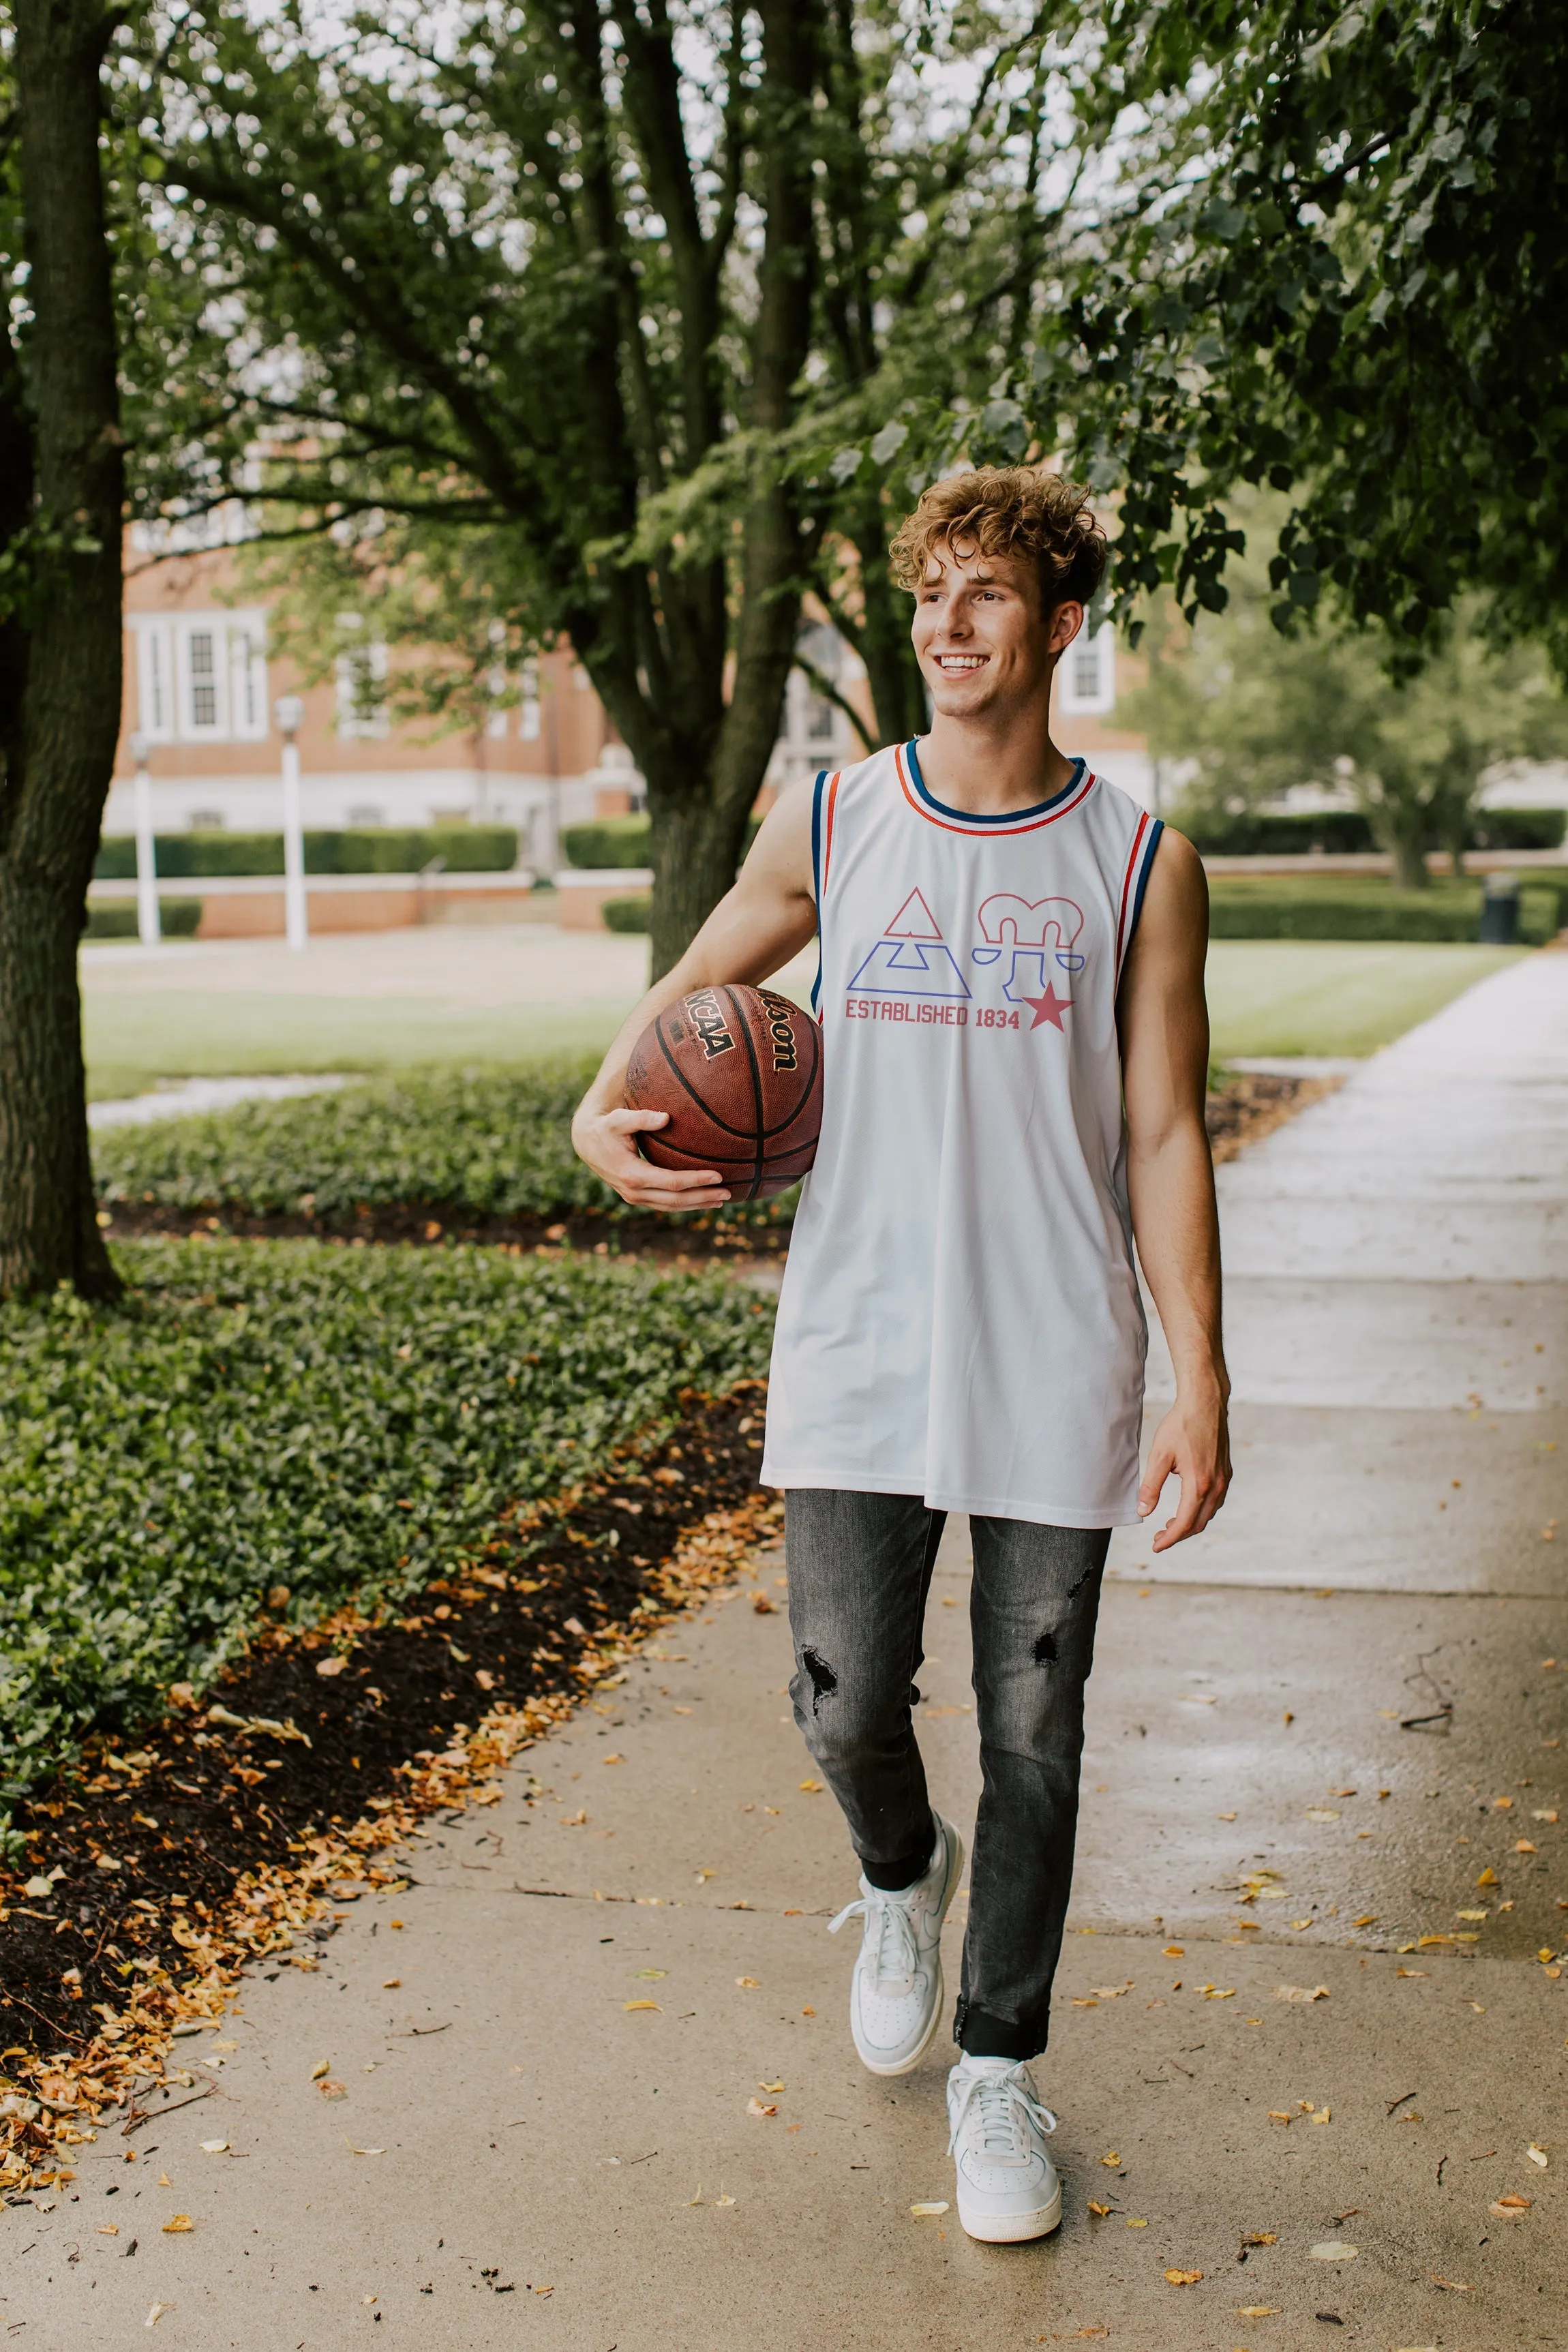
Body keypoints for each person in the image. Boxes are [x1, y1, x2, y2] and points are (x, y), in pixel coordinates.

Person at [572, 466, 1231, 2245]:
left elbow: (1164, 1132)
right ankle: (893, 1874)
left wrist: (1201, 1382)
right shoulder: (835, 816)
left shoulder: (1140, 861)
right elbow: (696, 981)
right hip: (857, 1336)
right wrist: (597, 1101)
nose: (944, 625)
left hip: (1049, 1350)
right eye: (927, 593)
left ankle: (998, 2079)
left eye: (984, 595)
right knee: (847, 1701)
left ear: (1058, 628)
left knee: (1035, 1732)